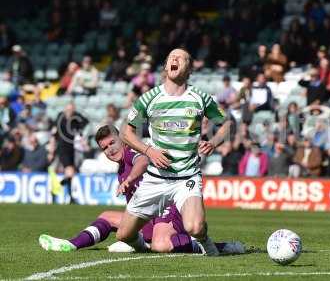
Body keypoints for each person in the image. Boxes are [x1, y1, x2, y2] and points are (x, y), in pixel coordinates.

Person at [39, 125, 244, 255]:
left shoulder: (132, 153)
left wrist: (129, 179)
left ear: (122, 140)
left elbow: (143, 161)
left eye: (112, 143)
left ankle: (219, 246)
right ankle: (71, 244)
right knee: (107, 217)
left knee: (161, 245)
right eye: (104, 148)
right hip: (151, 216)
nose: (110, 149)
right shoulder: (120, 168)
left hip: (170, 207)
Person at [118, 48, 232, 256]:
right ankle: (143, 247)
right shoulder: (149, 98)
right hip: (155, 178)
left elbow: (225, 124)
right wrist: (148, 151)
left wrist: (214, 142)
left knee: (194, 228)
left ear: (189, 70)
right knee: (124, 235)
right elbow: (126, 133)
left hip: (186, 178)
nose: (174, 59)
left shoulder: (200, 98)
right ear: (165, 67)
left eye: (181, 58)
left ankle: (204, 242)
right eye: (171, 57)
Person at [55, 103, 89, 204]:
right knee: (70, 169)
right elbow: (55, 131)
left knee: (71, 173)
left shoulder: (76, 118)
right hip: (62, 148)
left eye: (72, 110)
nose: (70, 111)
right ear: (65, 109)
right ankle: (63, 183)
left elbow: (85, 122)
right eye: (68, 109)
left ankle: (70, 195)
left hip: (72, 149)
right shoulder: (60, 117)